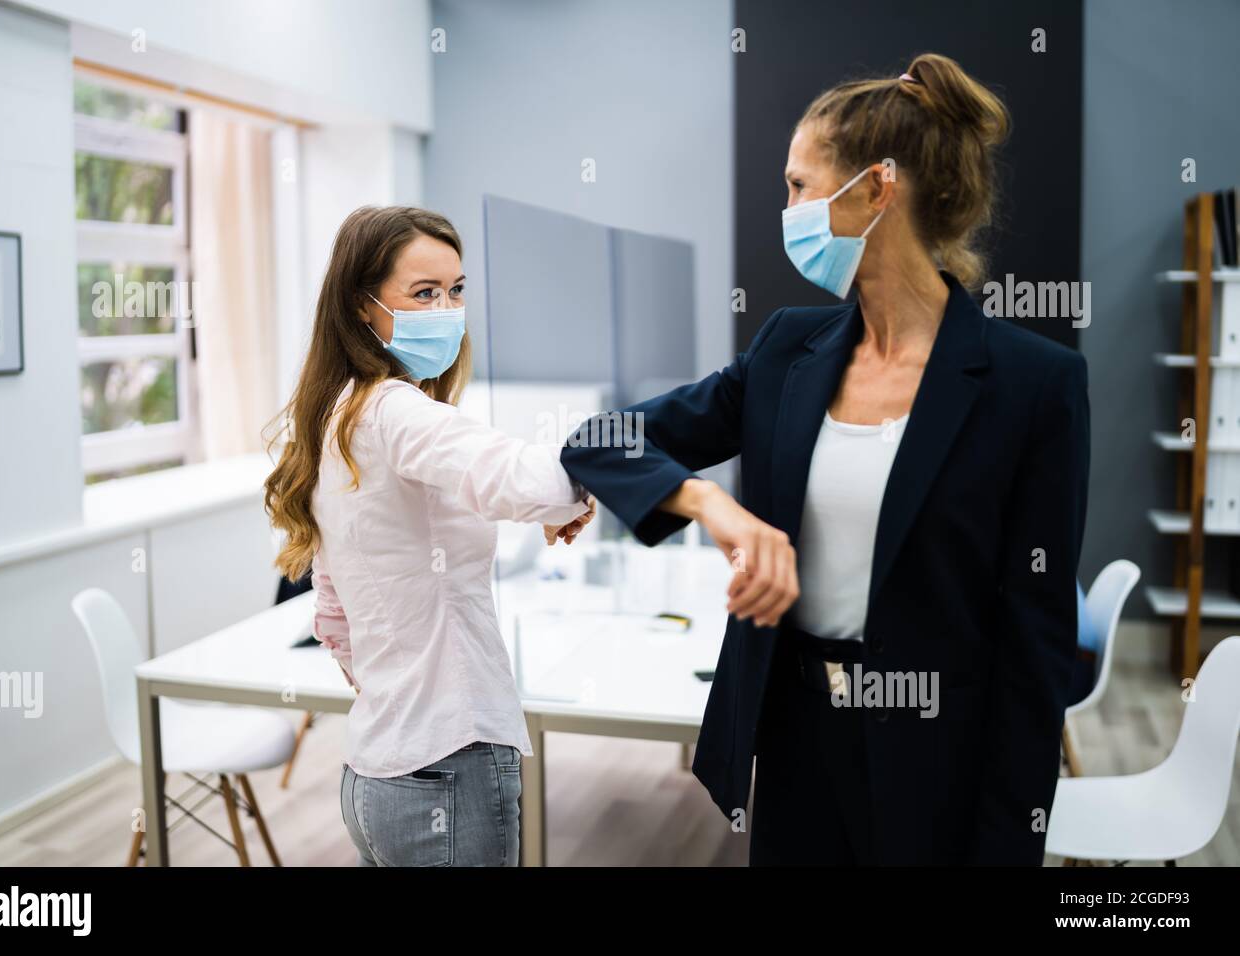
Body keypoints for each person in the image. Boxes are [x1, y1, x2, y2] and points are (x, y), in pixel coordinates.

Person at [561, 53, 1090, 865]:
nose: (788, 208)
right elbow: (601, 441)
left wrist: (1008, 843)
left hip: (937, 761)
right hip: (795, 739)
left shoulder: (1033, 384)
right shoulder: (786, 349)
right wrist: (715, 507)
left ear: (878, 189)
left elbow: (1036, 646)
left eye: (800, 186)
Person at [264, 206, 595, 867]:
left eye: (456, 290)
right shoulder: (395, 411)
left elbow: (332, 614)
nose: (447, 309)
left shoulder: (339, 414)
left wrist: (399, 690)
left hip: (377, 774)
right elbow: (526, 479)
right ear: (363, 307)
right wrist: (590, 477)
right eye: (424, 293)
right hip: (448, 766)